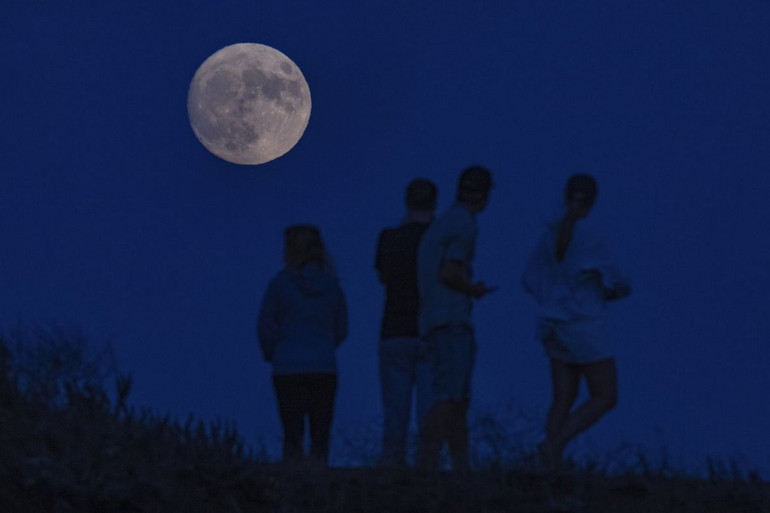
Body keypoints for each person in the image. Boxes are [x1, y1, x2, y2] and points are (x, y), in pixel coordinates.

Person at [522, 174, 631, 471]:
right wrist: (607, 293)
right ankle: (552, 448)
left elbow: (529, 278)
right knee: (605, 396)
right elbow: (619, 280)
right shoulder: (591, 235)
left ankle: (551, 464)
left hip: (553, 325)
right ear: (593, 200)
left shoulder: (550, 233)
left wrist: (554, 298)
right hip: (584, 325)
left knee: (563, 397)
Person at [416, 165, 495, 471]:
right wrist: (472, 289)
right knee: (451, 398)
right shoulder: (465, 224)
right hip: (452, 321)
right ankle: (427, 463)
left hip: (433, 320)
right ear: (483, 194)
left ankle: (460, 466)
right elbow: (450, 272)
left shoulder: (441, 223)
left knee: (454, 396)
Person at [257, 224, 348, 466]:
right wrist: (324, 345)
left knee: (292, 436)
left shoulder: (279, 284)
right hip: (323, 366)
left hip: (287, 366)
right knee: (320, 437)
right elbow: (342, 329)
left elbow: (265, 326)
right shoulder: (332, 286)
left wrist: (274, 353)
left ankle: (292, 490)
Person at [375, 178, 438, 467]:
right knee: (430, 411)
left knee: (395, 413)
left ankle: (391, 474)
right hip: (430, 331)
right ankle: (427, 472)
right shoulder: (439, 240)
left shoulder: (389, 238)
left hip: (394, 331)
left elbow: (383, 276)